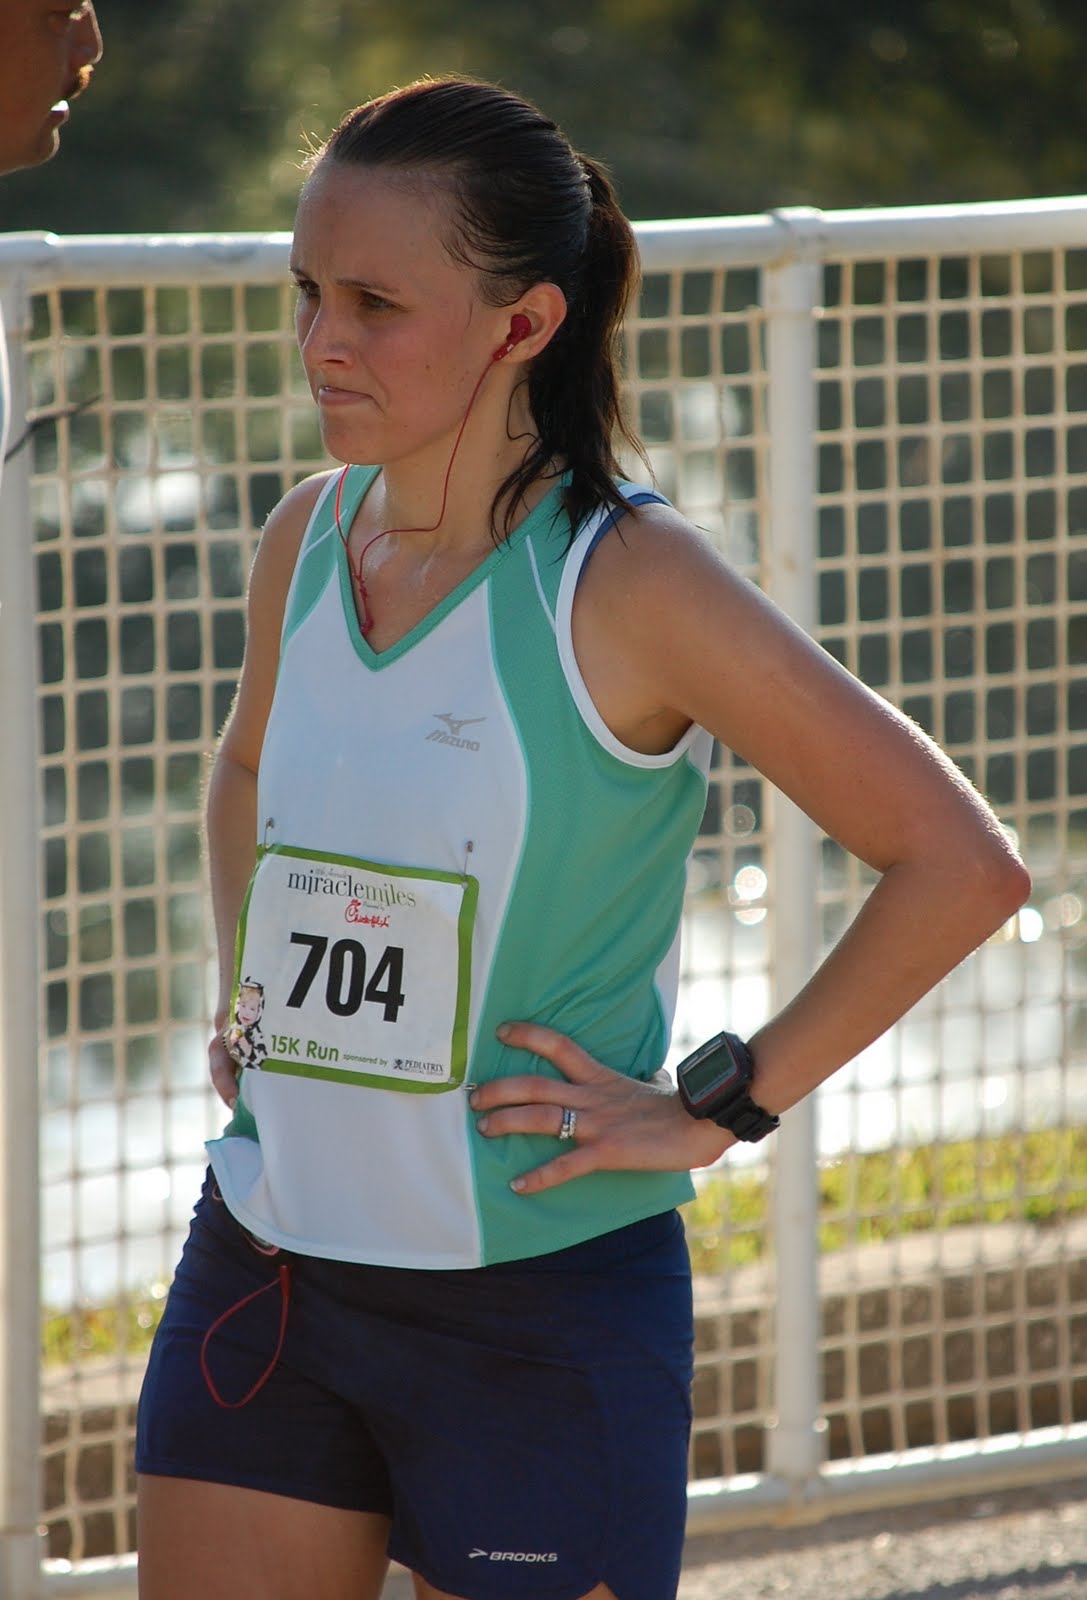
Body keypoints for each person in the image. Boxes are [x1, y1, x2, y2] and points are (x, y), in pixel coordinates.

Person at [134, 75, 1030, 1600]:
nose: (321, 340)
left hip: (533, 1312)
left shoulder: (627, 581)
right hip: (267, 1265)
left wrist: (719, 1106)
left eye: (375, 304)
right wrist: (249, 993)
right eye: (307, 292)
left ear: (526, 324)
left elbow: (961, 862)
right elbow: (246, 768)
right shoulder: (306, 536)